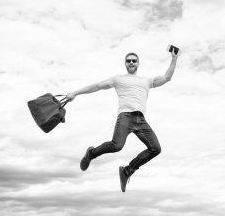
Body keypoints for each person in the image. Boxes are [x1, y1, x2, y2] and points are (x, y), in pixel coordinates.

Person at [66, 49, 180, 192]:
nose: (131, 62)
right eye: (128, 61)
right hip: (125, 116)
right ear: (125, 64)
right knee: (116, 146)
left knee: (155, 149)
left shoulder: (147, 81)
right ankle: (91, 153)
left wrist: (174, 59)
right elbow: (96, 86)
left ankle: (128, 170)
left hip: (141, 119)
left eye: (134, 60)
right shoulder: (118, 79)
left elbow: (167, 77)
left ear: (138, 63)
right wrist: (75, 93)